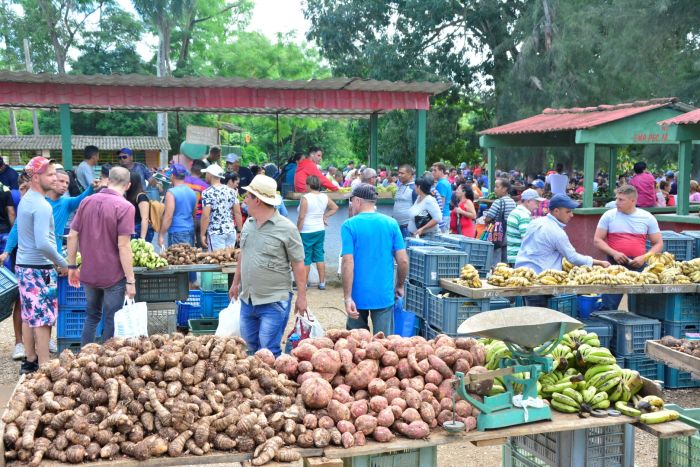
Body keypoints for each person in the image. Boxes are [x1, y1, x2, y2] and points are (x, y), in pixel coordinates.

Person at [229, 175, 307, 357]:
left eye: (247, 196)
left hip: (274, 301)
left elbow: (298, 264)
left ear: (257, 200)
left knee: (269, 352)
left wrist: (302, 296)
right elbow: (243, 255)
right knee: (250, 350)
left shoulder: (287, 228)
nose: (244, 199)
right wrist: (235, 283)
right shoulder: (248, 224)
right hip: (248, 299)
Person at [67, 166, 136, 346]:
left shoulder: (86, 202)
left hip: (89, 272)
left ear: (108, 180)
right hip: (113, 275)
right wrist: (130, 280)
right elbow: (124, 246)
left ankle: (84, 357)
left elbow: (73, 235)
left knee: (92, 316)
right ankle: (106, 360)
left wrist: (72, 267)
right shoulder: (125, 207)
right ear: (128, 185)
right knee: (111, 319)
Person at [15, 157, 68, 373]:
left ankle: (30, 360)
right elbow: (42, 243)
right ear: (36, 177)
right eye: (50, 174)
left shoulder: (27, 199)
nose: (55, 178)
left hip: (25, 265)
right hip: (38, 268)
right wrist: (65, 264)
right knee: (44, 319)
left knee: (30, 315)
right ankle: (45, 365)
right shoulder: (41, 205)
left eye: (55, 173)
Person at [515, 194, 610, 307]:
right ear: (556, 211)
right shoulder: (556, 232)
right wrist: (599, 262)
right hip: (541, 281)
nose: (571, 215)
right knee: (541, 317)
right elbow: (573, 258)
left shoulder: (536, 222)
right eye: (568, 211)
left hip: (523, 275)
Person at [341, 183, 408, 335]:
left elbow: (347, 262)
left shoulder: (349, 225)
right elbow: (403, 260)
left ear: (357, 201)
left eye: (351, 201)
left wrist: (347, 297)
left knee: (357, 346)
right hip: (383, 294)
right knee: (385, 347)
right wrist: (399, 285)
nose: (351, 204)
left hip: (357, 294)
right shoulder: (391, 223)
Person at [594, 185, 663, 311]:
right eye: (617, 199)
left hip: (639, 264)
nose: (617, 203)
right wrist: (614, 253)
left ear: (633, 201)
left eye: (621, 200)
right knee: (609, 305)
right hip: (614, 265)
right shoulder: (608, 215)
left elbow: (658, 243)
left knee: (640, 306)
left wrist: (644, 257)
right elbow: (597, 240)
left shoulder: (647, 217)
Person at [297, 175, 339, 290]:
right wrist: (325, 216)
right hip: (320, 230)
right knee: (319, 256)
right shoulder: (324, 196)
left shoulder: (306, 198)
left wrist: (297, 231)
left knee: (306, 257)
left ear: (309, 185)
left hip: (306, 230)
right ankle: (322, 283)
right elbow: (335, 207)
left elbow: (301, 217)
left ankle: (304, 284)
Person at [200, 164, 242, 250]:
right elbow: (238, 213)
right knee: (228, 260)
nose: (205, 176)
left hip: (216, 233)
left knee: (217, 260)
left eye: (206, 173)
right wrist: (239, 231)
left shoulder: (207, 192)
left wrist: (202, 235)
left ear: (210, 175)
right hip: (230, 231)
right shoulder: (232, 191)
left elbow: (205, 216)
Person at [159, 164, 197, 248]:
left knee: (177, 259)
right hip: (189, 230)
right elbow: (194, 214)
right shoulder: (192, 192)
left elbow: (168, 216)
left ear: (172, 175)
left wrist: (161, 235)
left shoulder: (171, 193)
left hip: (177, 232)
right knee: (188, 259)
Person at [484, 178, 517, 264]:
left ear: (504, 189)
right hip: (508, 233)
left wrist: (486, 219)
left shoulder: (498, 202)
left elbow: (488, 218)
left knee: (495, 258)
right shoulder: (513, 202)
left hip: (497, 233)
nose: (495, 189)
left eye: (497, 187)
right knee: (505, 260)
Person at [506, 189, 541, 265]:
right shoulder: (523, 216)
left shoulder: (516, 212)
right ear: (528, 202)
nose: (538, 206)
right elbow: (527, 239)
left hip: (513, 256)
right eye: (536, 202)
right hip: (520, 258)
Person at [125, 172, 153, 241]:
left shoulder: (141, 196)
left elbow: (145, 218)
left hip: (139, 231)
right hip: (131, 230)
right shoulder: (128, 195)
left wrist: (142, 238)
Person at [392, 164, 417, 238]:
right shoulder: (400, 187)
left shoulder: (414, 189)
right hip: (397, 226)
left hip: (407, 228)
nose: (399, 175)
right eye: (398, 173)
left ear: (410, 175)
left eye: (402, 173)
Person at [431, 163, 452, 232]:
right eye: (432, 170)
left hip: (442, 216)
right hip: (445, 215)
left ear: (442, 171)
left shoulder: (441, 184)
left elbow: (441, 203)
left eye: (435, 170)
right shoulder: (444, 182)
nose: (433, 172)